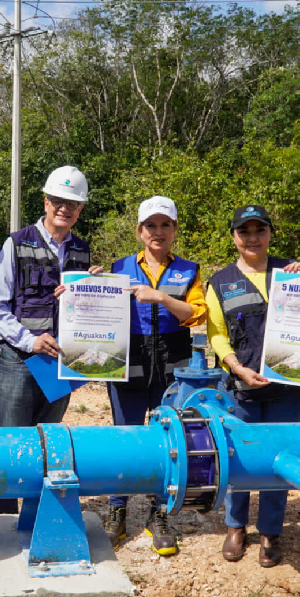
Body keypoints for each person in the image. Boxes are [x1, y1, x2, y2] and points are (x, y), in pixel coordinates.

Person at [0, 165, 101, 515]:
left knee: (48, 441)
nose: (64, 208)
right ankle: (1, 517)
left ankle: (36, 515)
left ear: (80, 209)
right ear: (46, 202)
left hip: (59, 363)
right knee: (11, 441)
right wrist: (29, 340)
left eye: (73, 203)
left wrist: (94, 287)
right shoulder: (17, 243)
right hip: (19, 360)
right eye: (57, 201)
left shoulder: (82, 251)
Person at [206, 204, 300, 569]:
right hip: (242, 387)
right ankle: (236, 526)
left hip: (289, 389)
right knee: (240, 456)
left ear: (270, 233)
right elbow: (217, 336)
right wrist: (236, 368)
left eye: (259, 230)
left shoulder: (292, 273)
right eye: (244, 231)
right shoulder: (219, 281)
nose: (253, 238)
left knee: (279, 458)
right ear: (234, 237)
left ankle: (270, 532)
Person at [104, 196, 207, 554]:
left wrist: (160, 298)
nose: (158, 232)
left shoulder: (190, 270)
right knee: (125, 436)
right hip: (128, 360)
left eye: (165, 225)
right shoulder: (118, 268)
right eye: (151, 225)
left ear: (175, 230)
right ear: (139, 231)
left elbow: (196, 314)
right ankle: (117, 510)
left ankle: (157, 513)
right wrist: (86, 286)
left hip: (171, 363)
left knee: (168, 439)